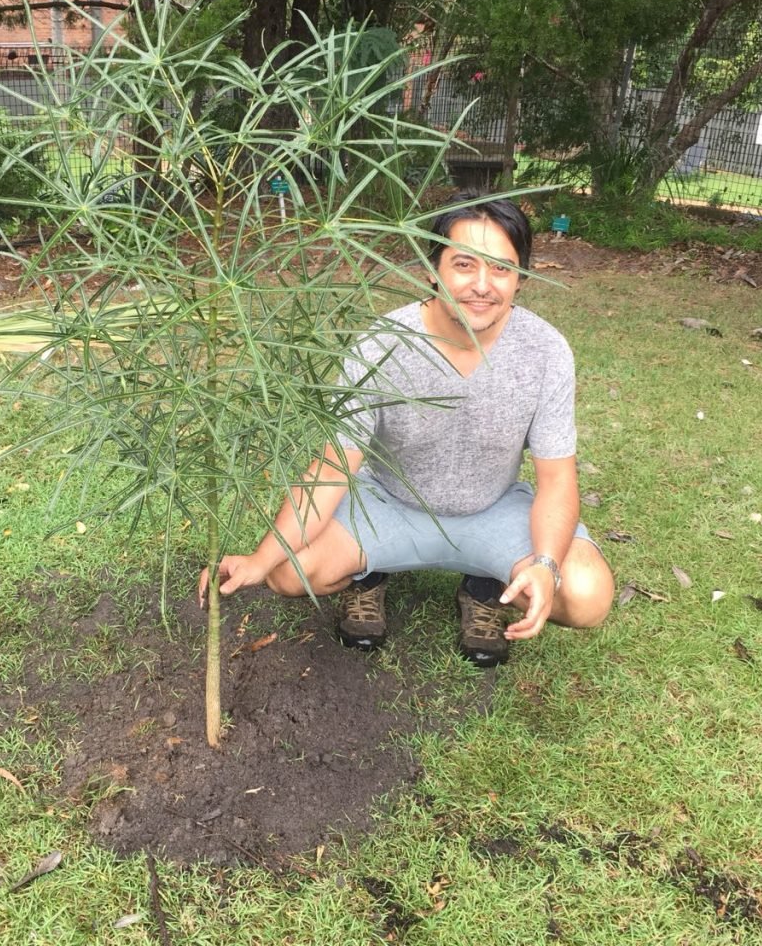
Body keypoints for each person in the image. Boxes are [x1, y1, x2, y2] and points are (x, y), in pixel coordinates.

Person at [198, 194, 614, 667]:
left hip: (492, 510)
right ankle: (366, 577)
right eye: (463, 264)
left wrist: (545, 565)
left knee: (586, 594)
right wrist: (258, 558)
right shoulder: (381, 344)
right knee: (287, 573)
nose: (482, 285)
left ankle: (487, 587)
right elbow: (334, 467)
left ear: (521, 277)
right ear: (431, 269)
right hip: (388, 505)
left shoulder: (546, 350)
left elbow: (558, 480)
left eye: (501, 268)